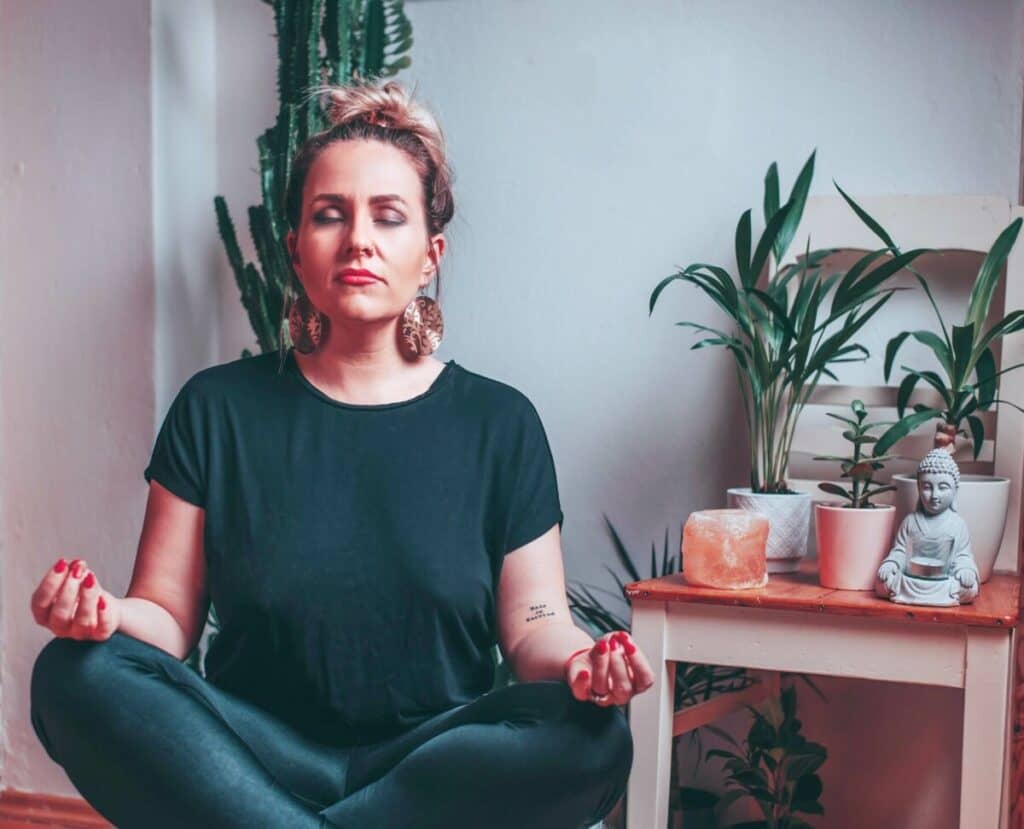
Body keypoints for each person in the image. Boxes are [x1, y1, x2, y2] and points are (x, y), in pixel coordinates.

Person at [28, 79, 651, 829]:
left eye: (389, 218)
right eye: (330, 215)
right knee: (72, 673)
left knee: (593, 733)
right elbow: (164, 617)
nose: (359, 239)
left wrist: (583, 663)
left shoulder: (501, 423)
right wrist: (100, 616)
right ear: (295, 250)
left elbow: (534, 628)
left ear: (430, 254)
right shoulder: (216, 408)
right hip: (251, 750)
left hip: (431, 759)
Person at [876, 448, 980, 606]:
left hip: (943, 581)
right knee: (882, 583)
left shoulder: (957, 524)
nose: (934, 495)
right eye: (927, 487)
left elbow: (963, 556)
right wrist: (892, 564)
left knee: (969, 589)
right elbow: (900, 551)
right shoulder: (910, 521)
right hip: (911, 580)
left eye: (943, 487)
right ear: (918, 488)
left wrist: (966, 570)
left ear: (955, 491)